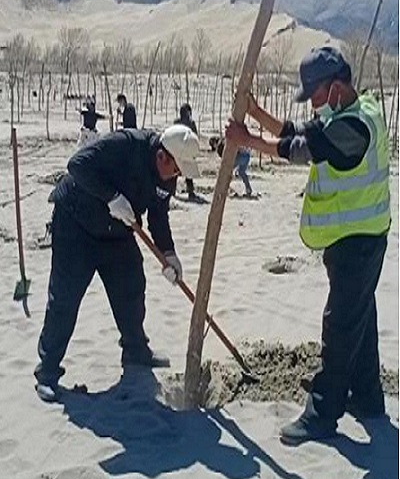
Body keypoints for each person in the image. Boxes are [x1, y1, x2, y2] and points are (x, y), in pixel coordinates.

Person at [226, 46, 391, 445]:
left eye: (315, 95)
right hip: (357, 236)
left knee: (340, 326)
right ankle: (368, 398)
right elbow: (295, 131)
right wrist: (256, 112)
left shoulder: (355, 127)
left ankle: (322, 414)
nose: (313, 104)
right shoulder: (347, 111)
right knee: (361, 319)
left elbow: (299, 149)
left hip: (359, 241)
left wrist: (247, 140)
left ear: (335, 88)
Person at [34, 124, 201, 403]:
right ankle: (48, 371)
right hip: (76, 223)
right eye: (176, 169)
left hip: (117, 232)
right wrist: (111, 197)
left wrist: (169, 254)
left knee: (132, 286)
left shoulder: (167, 178)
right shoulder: (125, 144)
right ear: (162, 156)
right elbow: (77, 165)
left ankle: (135, 351)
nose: (177, 176)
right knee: (65, 297)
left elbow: (159, 216)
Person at [174, 103, 199, 201]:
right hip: (186, 151)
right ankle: (190, 192)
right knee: (187, 172)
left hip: (179, 150)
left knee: (175, 172)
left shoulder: (177, 122)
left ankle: (173, 190)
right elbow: (195, 137)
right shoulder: (191, 123)